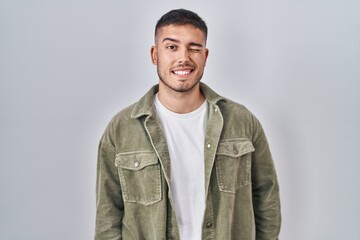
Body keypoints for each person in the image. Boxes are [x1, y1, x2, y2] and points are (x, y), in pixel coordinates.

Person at [95, 9, 281, 240]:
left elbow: (266, 197)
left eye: (194, 48)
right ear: (155, 55)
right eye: (172, 47)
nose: (184, 57)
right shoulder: (121, 129)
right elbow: (108, 216)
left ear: (205, 56)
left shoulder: (242, 122)